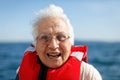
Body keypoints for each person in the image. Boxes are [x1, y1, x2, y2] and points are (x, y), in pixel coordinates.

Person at [16, 4, 102, 80]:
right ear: (35, 44)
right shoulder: (21, 71)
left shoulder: (89, 75)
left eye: (61, 37)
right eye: (45, 37)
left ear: (70, 43)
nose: (53, 46)